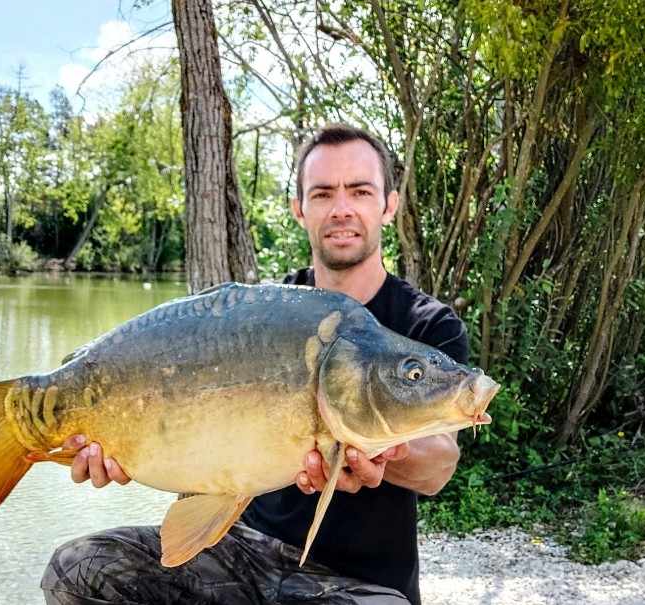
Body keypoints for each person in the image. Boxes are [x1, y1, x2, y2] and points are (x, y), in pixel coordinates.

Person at [41, 123, 469, 605]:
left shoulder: (425, 325)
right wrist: (118, 442)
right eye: (323, 193)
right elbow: (197, 428)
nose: (342, 208)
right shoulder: (262, 312)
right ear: (299, 209)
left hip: (355, 582)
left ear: (388, 205)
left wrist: (387, 451)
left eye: (360, 191)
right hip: (243, 556)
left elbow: (438, 465)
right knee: (77, 568)